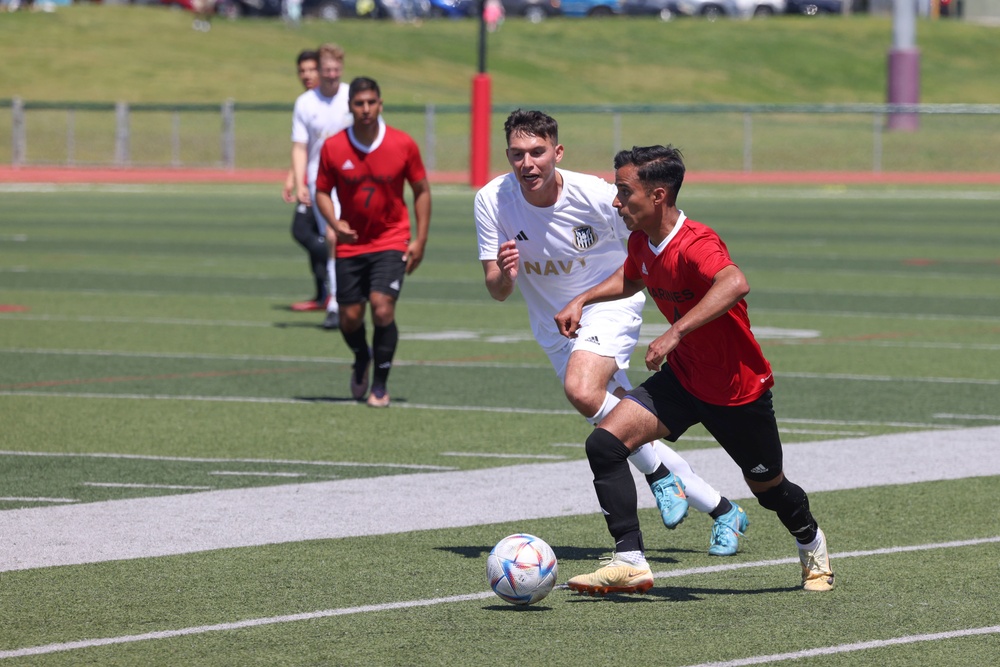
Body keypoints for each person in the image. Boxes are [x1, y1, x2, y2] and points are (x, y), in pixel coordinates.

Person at [556, 144, 835, 595]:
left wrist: (675, 332)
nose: (615, 202)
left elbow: (734, 282)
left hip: (736, 390)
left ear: (659, 195)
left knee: (769, 488)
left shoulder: (697, 242)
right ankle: (630, 561)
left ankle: (811, 543)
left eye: (624, 193)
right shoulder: (641, 240)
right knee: (605, 444)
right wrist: (582, 299)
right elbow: (633, 276)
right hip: (684, 379)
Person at [475, 110, 747, 558]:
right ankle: (722, 511)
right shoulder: (491, 201)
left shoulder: (595, 196)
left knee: (583, 390)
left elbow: (663, 226)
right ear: (508, 155)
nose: (528, 163)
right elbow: (498, 290)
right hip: (553, 327)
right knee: (619, 426)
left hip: (609, 305)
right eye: (518, 154)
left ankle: (660, 481)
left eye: (538, 152)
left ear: (556, 153)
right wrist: (505, 275)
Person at [314, 77, 431, 408]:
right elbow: (322, 191)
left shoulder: (402, 144)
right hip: (351, 243)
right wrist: (334, 222)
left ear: (380, 104)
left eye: (371, 102)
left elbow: (421, 191)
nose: (365, 109)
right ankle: (361, 355)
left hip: (391, 238)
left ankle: (379, 384)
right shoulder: (334, 147)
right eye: (358, 103)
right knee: (350, 317)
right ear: (350, 106)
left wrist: (420, 240)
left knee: (382, 307)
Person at [291, 43, 352, 330]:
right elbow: (300, 147)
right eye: (326, 69)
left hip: (353, 178)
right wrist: (300, 179)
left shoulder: (352, 96)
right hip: (321, 181)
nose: (331, 74)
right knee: (331, 235)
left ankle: (351, 294)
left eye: (335, 69)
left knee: (351, 238)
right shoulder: (305, 103)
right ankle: (335, 303)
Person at [283, 50, 329, 313]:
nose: (307, 75)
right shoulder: (305, 103)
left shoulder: (335, 100)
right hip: (310, 180)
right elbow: (303, 147)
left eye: (312, 69)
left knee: (303, 231)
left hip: (331, 183)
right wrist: (292, 178)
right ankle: (323, 293)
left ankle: (343, 267)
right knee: (309, 233)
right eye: (302, 71)